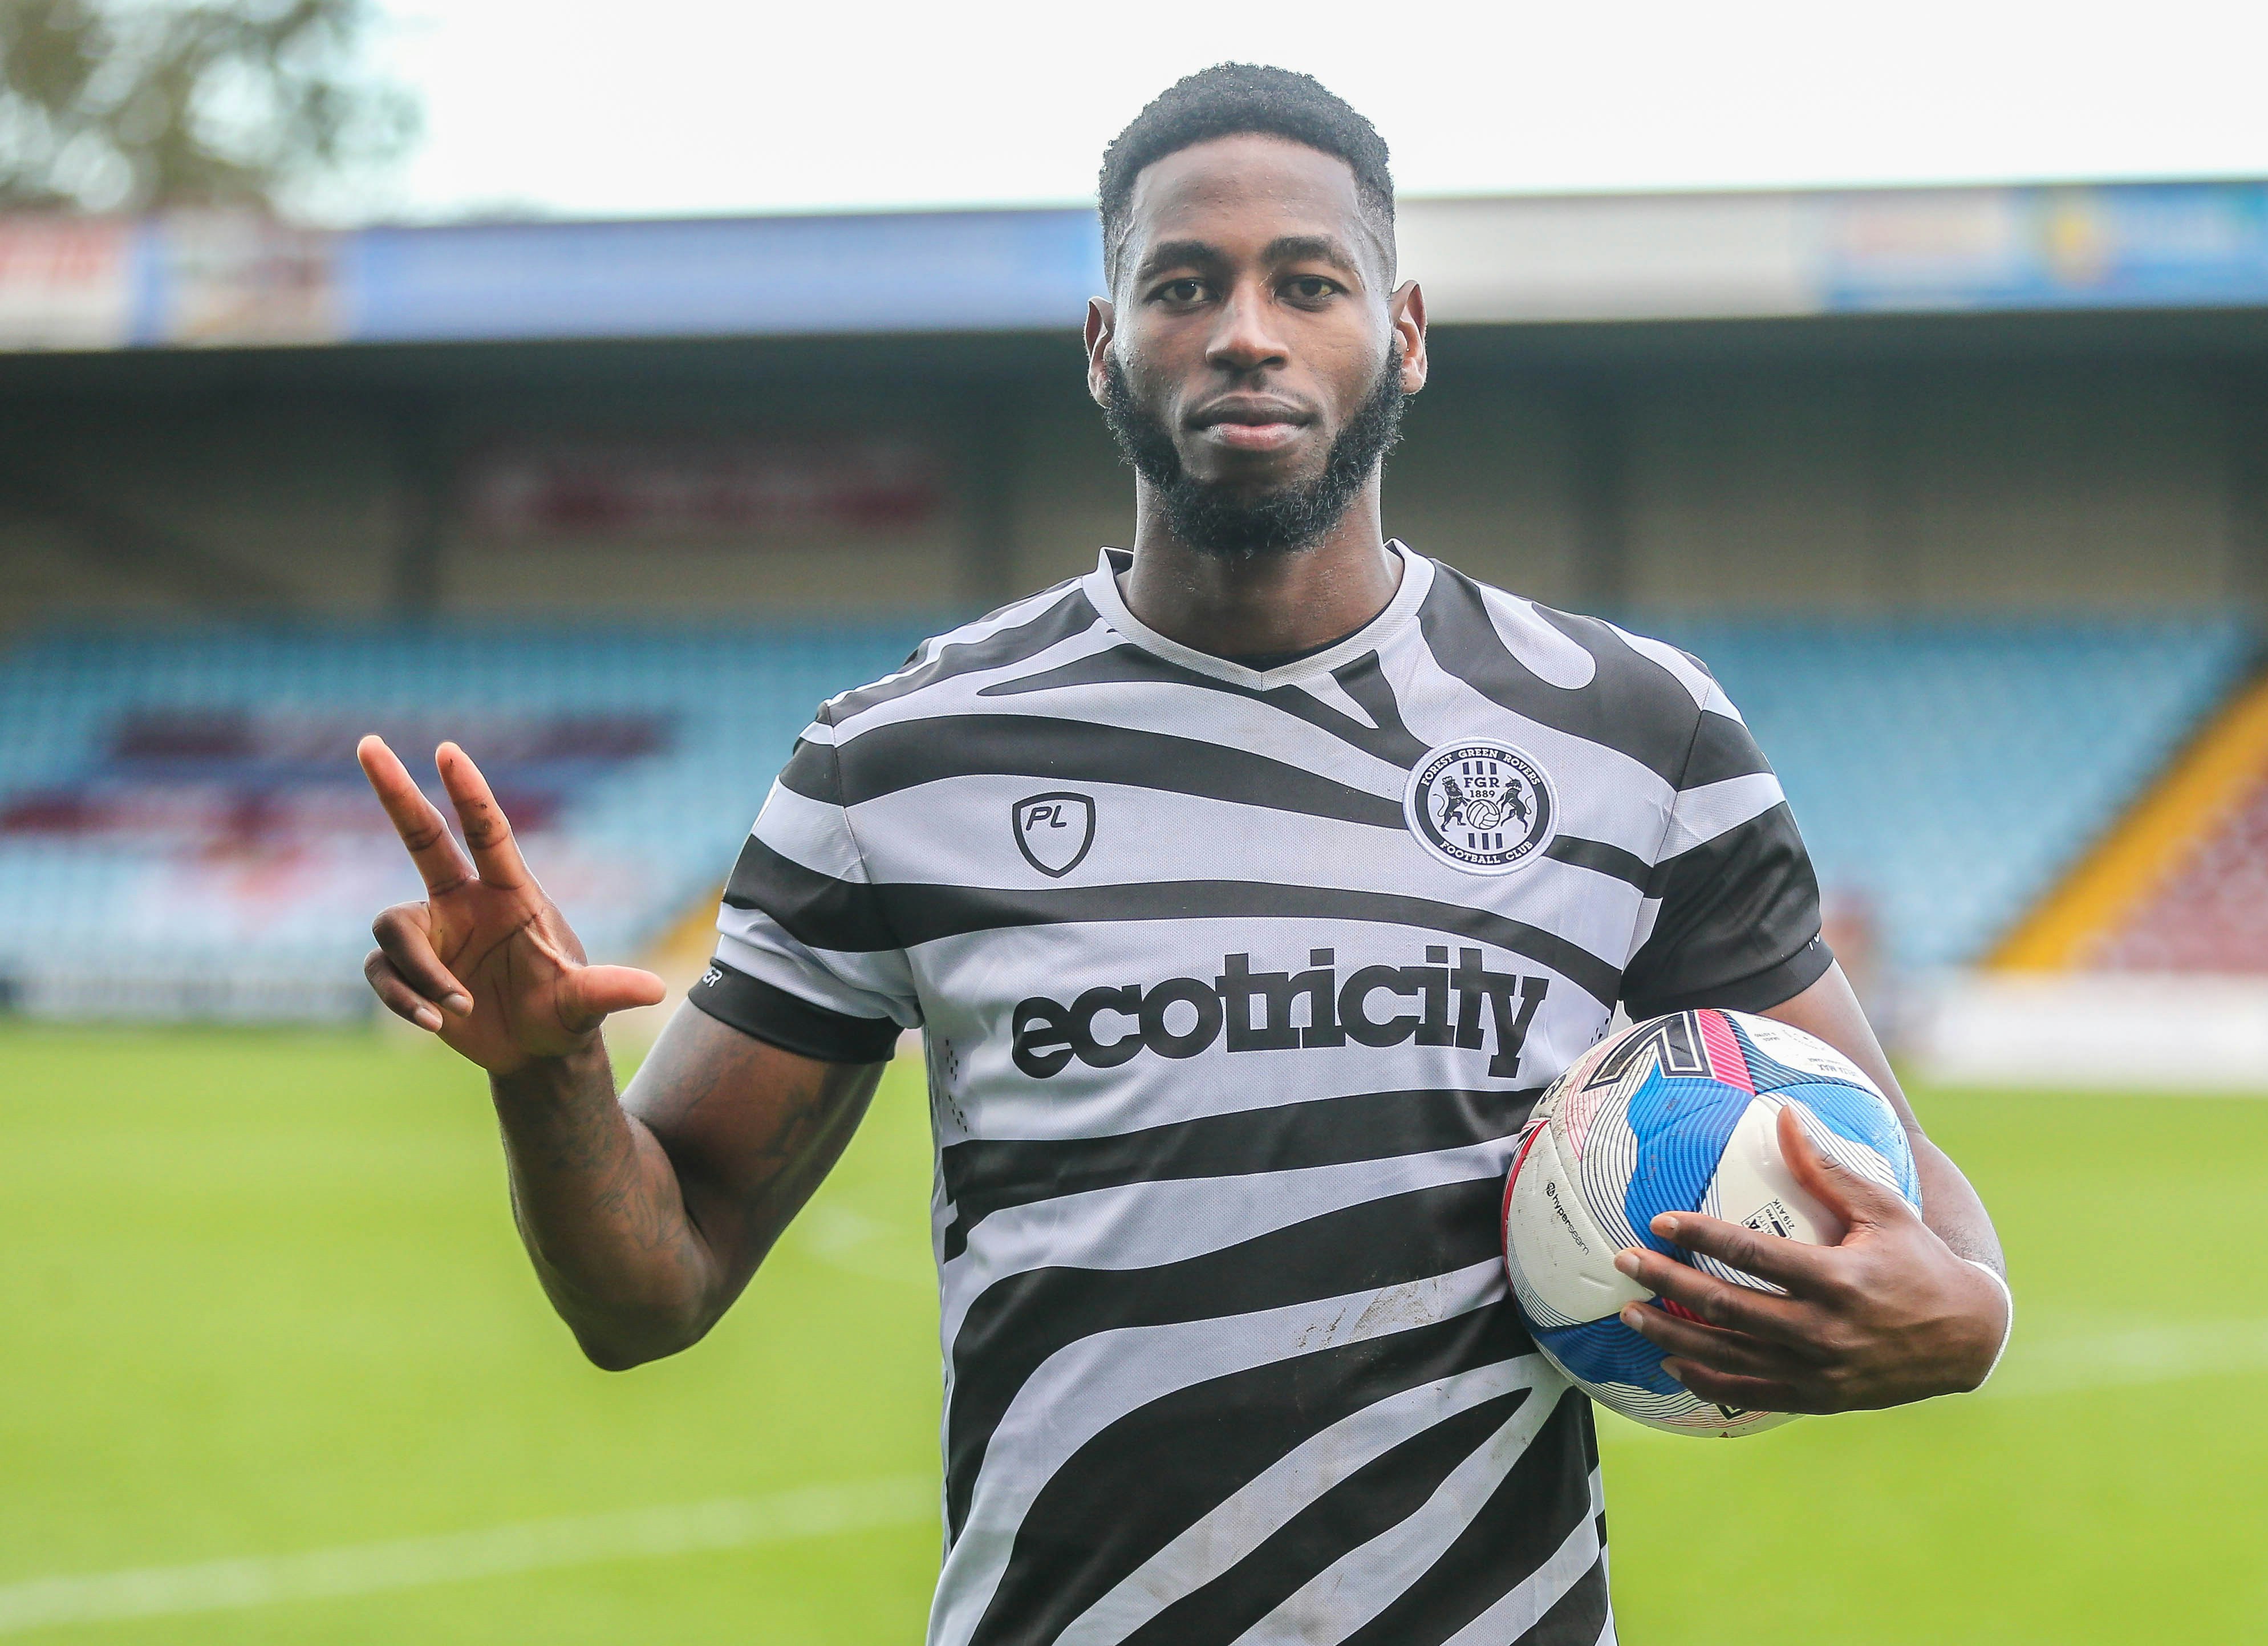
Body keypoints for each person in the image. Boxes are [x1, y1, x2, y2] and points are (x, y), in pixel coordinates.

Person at [356, 63, 2009, 1646]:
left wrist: (1967, 1317)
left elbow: (1915, 1203)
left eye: (1307, 283)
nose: (1244, 332)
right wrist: (547, 1080)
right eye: (1182, 286)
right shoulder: (897, 761)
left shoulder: (1636, 736)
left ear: (1402, 331)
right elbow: (649, 1292)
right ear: (1104, 343)